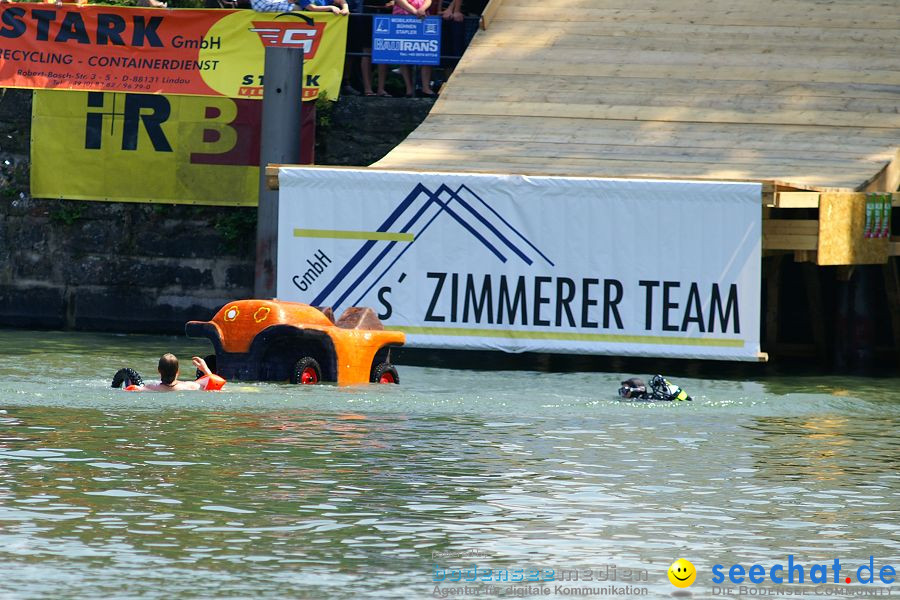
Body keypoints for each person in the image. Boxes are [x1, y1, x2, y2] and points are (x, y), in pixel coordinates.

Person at [393, 0, 437, 97]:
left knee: (427, 51)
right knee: (403, 53)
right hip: (402, 18)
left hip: (423, 18)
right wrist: (415, 11)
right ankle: (409, 89)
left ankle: (426, 88)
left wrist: (422, 9)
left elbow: (428, 0)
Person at [112, 354, 223, 392]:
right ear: (178, 372)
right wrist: (205, 369)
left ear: (159, 371)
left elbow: (130, 390)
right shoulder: (191, 386)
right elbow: (214, 385)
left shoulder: (148, 388)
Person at [618, 375, 692, 401]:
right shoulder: (646, 397)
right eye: (621, 391)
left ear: (635, 390)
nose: (622, 394)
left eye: (624, 390)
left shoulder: (645, 398)